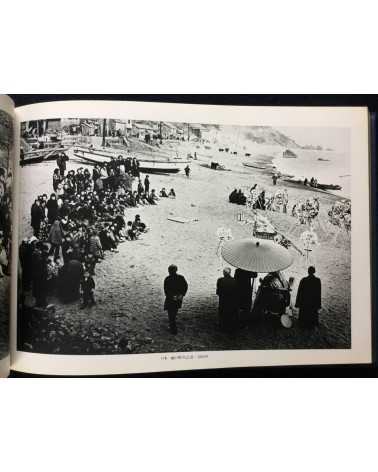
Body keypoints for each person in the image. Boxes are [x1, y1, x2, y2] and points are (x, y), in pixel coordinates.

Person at [164, 264, 188, 334]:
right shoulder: (181, 277)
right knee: (173, 313)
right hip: (177, 298)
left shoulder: (167, 279)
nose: (169, 272)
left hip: (171, 298)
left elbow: (166, 290)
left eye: (170, 270)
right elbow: (185, 287)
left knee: (171, 314)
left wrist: (173, 296)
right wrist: (181, 295)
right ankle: (172, 327)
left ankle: (173, 328)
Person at [216, 267, 239, 332]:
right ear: (230, 273)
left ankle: (222, 326)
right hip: (232, 300)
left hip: (223, 299)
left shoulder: (220, 280)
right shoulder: (235, 281)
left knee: (222, 312)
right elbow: (237, 291)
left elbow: (218, 292)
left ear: (223, 273)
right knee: (231, 313)